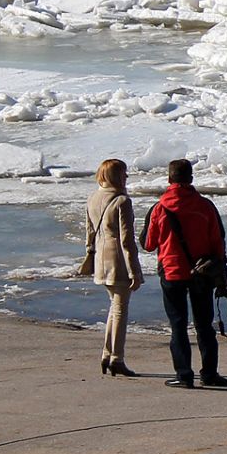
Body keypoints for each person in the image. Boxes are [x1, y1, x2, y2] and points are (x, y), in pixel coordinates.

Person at [143, 159, 227, 388]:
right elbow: (217, 241)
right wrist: (223, 271)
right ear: (191, 179)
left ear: (169, 179)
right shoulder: (205, 206)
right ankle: (210, 374)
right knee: (204, 325)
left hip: (172, 272)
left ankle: (184, 375)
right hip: (202, 272)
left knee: (178, 325)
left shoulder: (160, 207)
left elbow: (149, 244)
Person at [82, 158, 143, 378]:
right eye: (124, 173)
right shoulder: (122, 201)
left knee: (114, 307)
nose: (127, 177)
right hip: (118, 261)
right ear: (116, 176)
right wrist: (134, 271)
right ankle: (117, 358)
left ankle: (107, 354)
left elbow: (90, 233)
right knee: (120, 310)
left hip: (101, 260)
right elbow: (127, 241)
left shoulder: (92, 198)